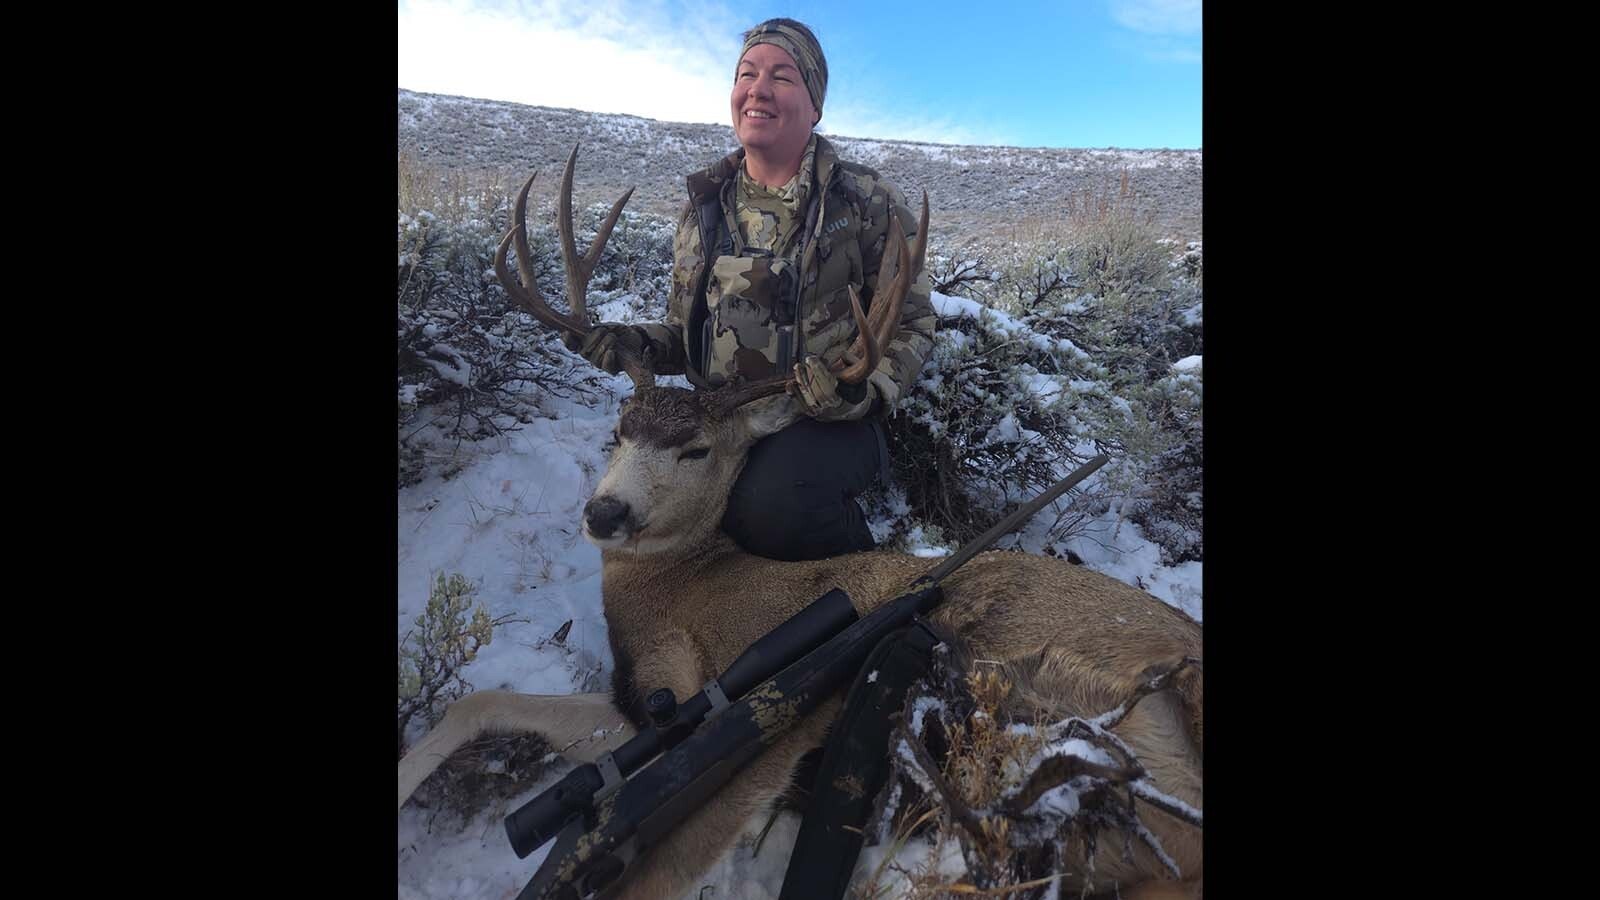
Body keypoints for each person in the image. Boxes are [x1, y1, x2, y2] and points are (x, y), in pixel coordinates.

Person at [572, 17, 934, 562]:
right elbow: (684, 331)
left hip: (824, 416)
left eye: (782, 77)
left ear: (814, 104)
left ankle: (866, 595)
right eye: (747, 73)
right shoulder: (704, 205)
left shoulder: (866, 200)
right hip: (716, 420)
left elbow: (912, 322)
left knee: (768, 507)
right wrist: (633, 342)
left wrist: (861, 390)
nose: (758, 89)